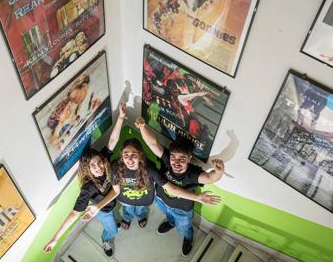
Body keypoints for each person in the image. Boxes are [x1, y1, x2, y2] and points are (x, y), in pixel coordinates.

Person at [81, 138, 221, 245]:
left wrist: (199, 196)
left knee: (183, 227)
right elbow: (116, 191)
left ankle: (186, 238)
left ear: (140, 155)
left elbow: (173, 188)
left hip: (153, 201)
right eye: (126, 154)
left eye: (134, 154)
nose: (129, 159)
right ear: (121, 156)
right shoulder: (115, 167)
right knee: (129, 210)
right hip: (136, 200)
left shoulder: (151, 169)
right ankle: (137, 219)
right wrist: (97, 206)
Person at [43, 102, 127, 257]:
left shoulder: (106, 161)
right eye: (92, 166)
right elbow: (74, 214)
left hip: (112, 202)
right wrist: (55, 239)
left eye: (98, 162)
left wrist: (121, 117)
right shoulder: (88, 188)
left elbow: (113, 140)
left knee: (115, 216)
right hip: (104, 211)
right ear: (87, 170)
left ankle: (113, 224)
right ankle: (106, 238)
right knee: (112, 229)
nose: (98, 167)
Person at [135, 117, 225, 257]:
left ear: (189, 159)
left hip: (182, 210)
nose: (176, 163)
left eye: (182, 159)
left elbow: (209, 178)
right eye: (173, 157)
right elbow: (153, 144)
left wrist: (219, 171)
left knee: (185, 228)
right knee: (168, 216)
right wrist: (142, 127)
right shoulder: (167, 160)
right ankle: (170, 223)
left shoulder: (192, 173)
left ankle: (188, 238)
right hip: (162, 200)